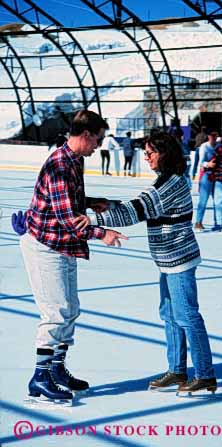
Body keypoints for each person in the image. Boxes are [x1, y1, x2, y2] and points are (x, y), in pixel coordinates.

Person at [74, 131, 217, 395]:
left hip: (178, 259)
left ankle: (205, 375)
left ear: (166, 154)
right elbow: (139, 206)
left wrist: (95, 220)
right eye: (145, 153)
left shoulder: (171, 183)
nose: (147, 157)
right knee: (170, 315)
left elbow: (137, 211)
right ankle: (177, 370)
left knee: (186, 315)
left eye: (151, 152)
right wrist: (105, 205)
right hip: (168, 259)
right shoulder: (166, 181)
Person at [12, 110, 127, 405]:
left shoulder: (74, 160)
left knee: (70, 309)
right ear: (86, 134)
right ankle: (40, 378)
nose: (99, 146)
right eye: (98, 139)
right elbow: (65, 217)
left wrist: (91, 202)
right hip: (46, 245)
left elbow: (65, 202)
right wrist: (102, 234)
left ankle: (56, 369)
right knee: (55, 312)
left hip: (63, 244)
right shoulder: (60, 165)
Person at [195, 129, 218, 231]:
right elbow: (201, 162)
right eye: (212, 135)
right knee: (203, 200)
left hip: (216, 175)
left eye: (215, 135)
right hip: (207, 175)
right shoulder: (204, 147)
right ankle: (198, 222)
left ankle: (218, 222)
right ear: (208, 136)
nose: (214, 137)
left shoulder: (218, 146)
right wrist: (208, 164)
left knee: (217, 200)